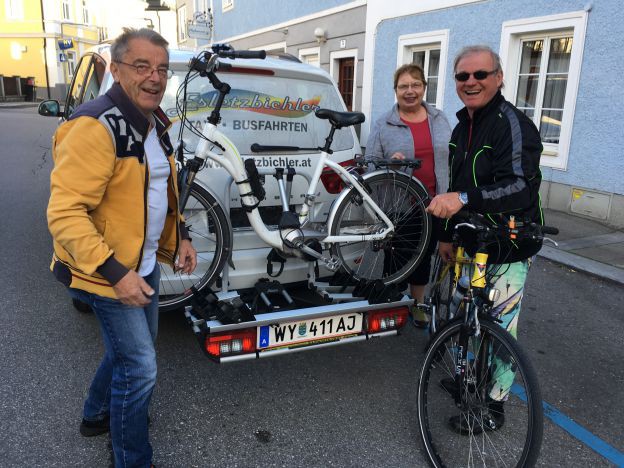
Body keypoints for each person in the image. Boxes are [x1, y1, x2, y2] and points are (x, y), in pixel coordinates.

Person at [47, 28, 197, 467]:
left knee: (130, 351)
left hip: (142, 264)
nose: (155, 77)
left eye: (162, 69)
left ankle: (96, 415)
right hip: (106, 272)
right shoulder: (94, 126)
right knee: (140, 365)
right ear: (115, 70)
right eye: (142, 66)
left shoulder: (154, 122)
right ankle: (131, 458)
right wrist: (116, 274)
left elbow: (162, 188)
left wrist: (182, 235)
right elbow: (65, 214)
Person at [427, 45, 544, 433]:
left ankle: (493, 406)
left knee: (500, 328)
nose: (471, 82)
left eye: (480, 74)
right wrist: (446, 235)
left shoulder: (513, 125)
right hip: (471, 243)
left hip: (509, 244)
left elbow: (521, 187)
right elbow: (454, 185)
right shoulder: (462, 126)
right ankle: (468, 382)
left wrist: (464, 199)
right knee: (468, 315)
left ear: (499, 77)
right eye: (463, 76)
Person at [365, 63, 451, 327]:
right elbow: (370, 165)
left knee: (425, 255)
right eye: (404, 86)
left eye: (415, 85)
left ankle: (418, 303)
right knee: (397, 254)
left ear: (424, 87)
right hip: (400, 204)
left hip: (435, 200)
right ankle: (391, 304)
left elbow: (452, 156)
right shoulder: (384, 123)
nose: (410, 91)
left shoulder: (439, 118)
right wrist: (389, 164)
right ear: (396, 90)